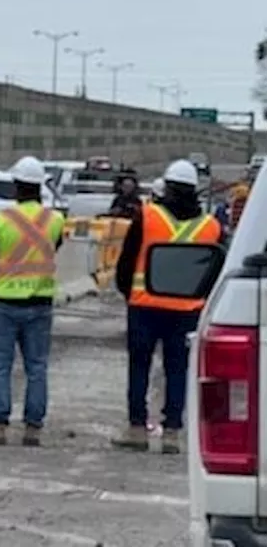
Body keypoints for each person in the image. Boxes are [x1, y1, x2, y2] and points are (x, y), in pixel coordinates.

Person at [112, 159, 225, 454]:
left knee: (139, 367)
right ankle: (172, 432)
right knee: (178, 370)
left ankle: (137, 429)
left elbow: (125, 264)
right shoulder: (210, 226)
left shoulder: (147, 216)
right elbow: (216, 270)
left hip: (144, 308)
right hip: (187, 311)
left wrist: (129, 294)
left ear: (167, 186)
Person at [0, 156, 65, 447]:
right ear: (40, 187)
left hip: (4, 301)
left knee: (0, 365)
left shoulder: (0, 221)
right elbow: (54, 248)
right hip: (39, 302)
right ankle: (33, 428)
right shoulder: (55, 220)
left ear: (16, 186)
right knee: (37, 366)